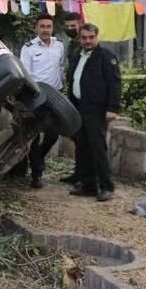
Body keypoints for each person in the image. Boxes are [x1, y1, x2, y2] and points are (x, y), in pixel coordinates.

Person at [67, 23, 121, 202]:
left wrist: (112, 108)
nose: (87, 41)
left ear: (97, 37)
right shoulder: (77, 55)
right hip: (79, 108)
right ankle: (88, 185)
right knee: (82, 147)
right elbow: (73, 79)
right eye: (84, 38)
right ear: (79, 38)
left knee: (97, 148)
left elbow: (114, 84)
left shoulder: (106, 57)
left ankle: (106, 186)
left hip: (97, 110)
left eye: (91, 37)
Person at [20, 14, 66, 189]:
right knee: (34, 135)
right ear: (36, 28)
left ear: (52, 28)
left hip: (56, 96)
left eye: (49, 26)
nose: (46, 29)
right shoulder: (28, 48)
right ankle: (36, 174)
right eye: (42, 26)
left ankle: (38, 159)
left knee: (53, 134)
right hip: (36, 96)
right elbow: (25, 74)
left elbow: (61, 67)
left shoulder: (59, 46)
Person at [58, 12, 84, 185]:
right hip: (73, 93)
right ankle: (78, 173)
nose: (69, 29)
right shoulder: (71, 44)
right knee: (77, 136)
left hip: (84, 96)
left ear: (79, 23)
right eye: (67, 26)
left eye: (72, 26)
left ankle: (85, 175)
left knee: (84, 138)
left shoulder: (84, 42)